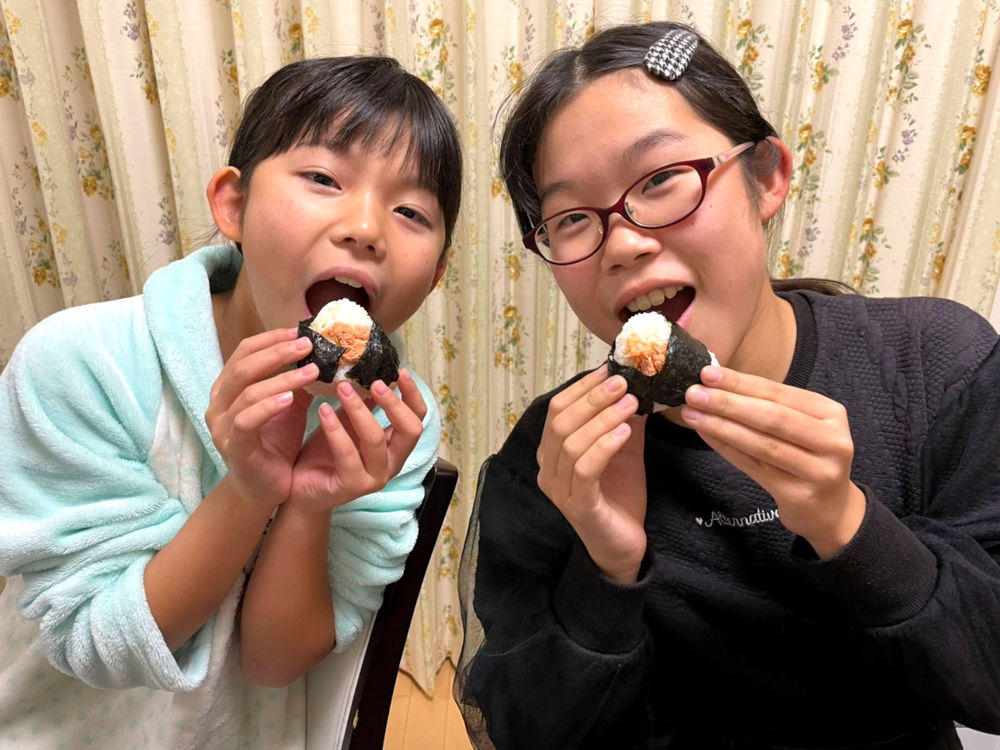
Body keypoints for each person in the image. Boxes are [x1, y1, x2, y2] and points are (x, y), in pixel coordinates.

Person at [453, 20, 1000, 750]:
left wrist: (851, 528)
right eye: (574, 218)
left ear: (767, 175)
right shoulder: (556, 455)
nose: (624, 242)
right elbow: (522, 731)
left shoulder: (935, 364)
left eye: (660, 180)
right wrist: (606, 567)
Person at [0, 55, 461, 748]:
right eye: (323, 178)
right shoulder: (82, 363)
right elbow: (102, 648)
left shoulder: (395, 425)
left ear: (438, 273)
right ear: (234, 205)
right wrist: (247, 491)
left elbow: (273, 665)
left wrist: (308, 503)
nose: (367, 227)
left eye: (410, 211)